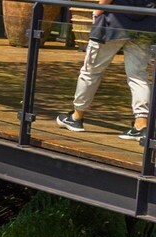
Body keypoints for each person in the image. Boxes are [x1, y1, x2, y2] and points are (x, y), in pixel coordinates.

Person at [57, 0, 156, 139]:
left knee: (91, 71)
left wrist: (97, 10)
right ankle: (141, 124)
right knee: (138, 76)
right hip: (144, 24)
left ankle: (76, 117)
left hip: (113, 22)